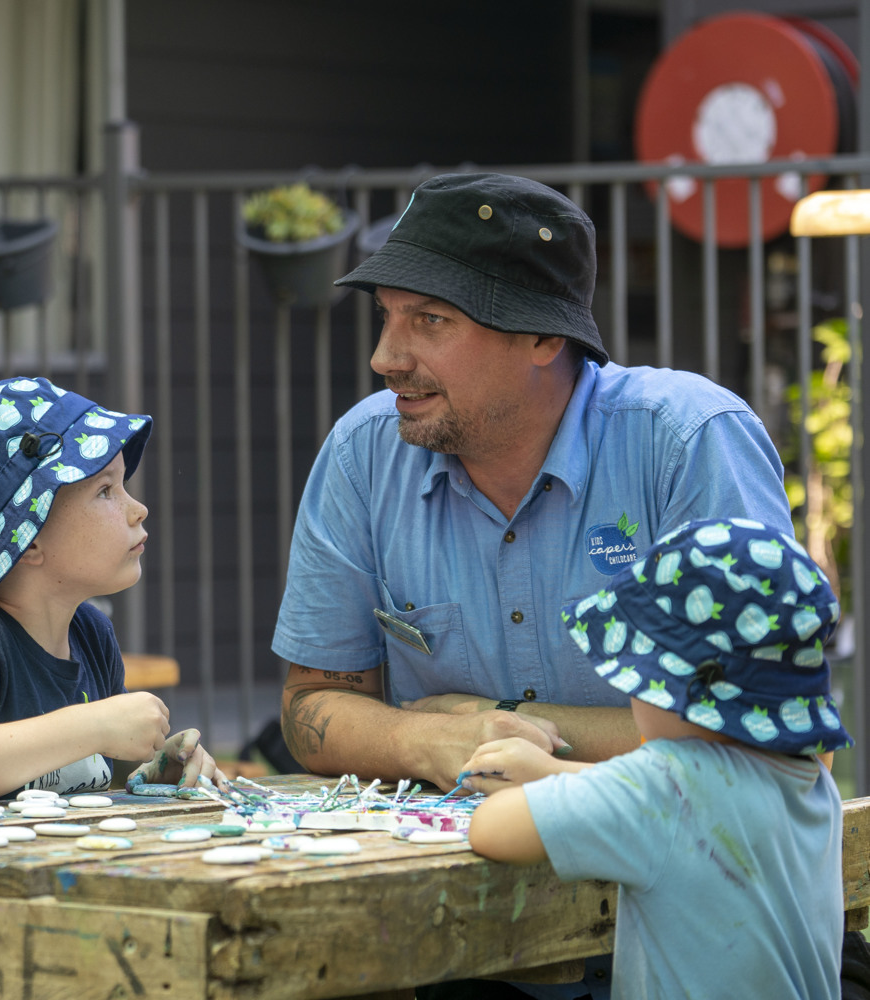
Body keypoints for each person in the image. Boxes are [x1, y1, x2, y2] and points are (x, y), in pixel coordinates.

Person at [270, 172, 798, 1000]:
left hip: (685, 945)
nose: (385, 356)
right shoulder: (362, 452)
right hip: (452, 944)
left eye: (430, 321)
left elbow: (749, 742)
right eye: (387, 317)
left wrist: (504, 727)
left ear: (543, 338)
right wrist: (423, 741)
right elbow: (309, 710)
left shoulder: (689, 441)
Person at [466, 518, 850, 999]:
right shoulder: (809, 773)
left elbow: (493, 828)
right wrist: (557, 773)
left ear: (673, 689)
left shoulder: (664, 787)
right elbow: (701, 810)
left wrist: (546, 780)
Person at [0, 376, 217, 809]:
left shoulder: (89, 634)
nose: (138, 509)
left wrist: (156, 769)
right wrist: (94, 725)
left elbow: (89, 777)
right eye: (105, 491)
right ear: (28, 540)